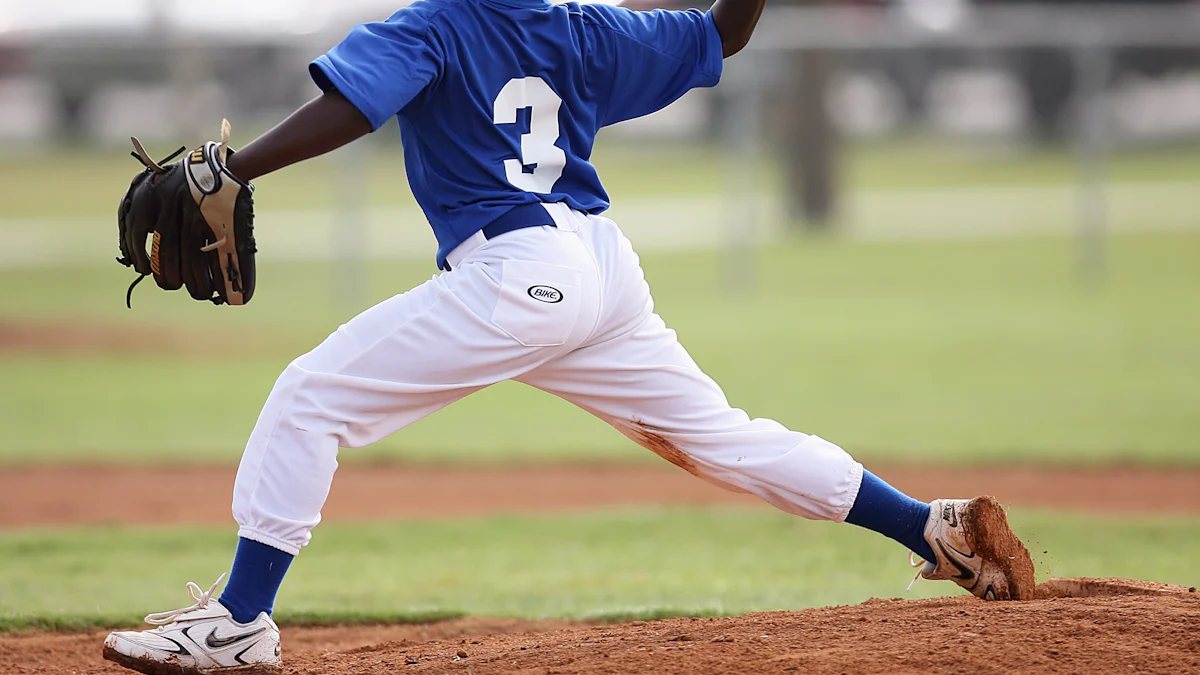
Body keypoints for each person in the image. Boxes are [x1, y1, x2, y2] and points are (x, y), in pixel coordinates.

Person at [102, 0, 1033, 672]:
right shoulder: (580, 26)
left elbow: (357, 106)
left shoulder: (433, 23)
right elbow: (726, 31)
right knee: (720, 434)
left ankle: (238, 621)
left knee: (311, 395)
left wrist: (235, 166)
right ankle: (932, 526)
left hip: (517, 274)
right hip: (601, 267)